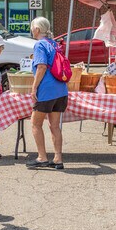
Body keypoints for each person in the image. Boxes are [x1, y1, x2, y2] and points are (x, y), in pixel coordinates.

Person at [26, 17, 68, 170]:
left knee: (35, 123)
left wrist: (34, 87)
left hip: (46, 90)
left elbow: (42, 67)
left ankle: (42, 157)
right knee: (55, 126)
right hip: (61, 89)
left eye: (32, 28)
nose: (32, 30)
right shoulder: (54, 44)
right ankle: (58, 158)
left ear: (37, 29)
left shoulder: (39, 45)